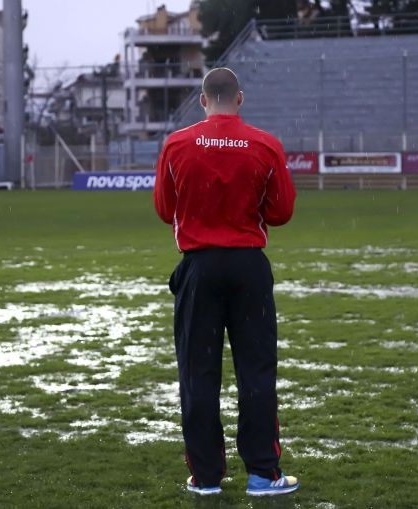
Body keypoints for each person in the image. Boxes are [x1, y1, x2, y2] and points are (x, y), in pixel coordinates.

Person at [153, 67, 298, 497]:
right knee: (256, 370)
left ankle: (206, 477)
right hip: (248, 267)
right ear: (240, 98)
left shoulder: (177, 144)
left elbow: (165, 209)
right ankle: (262, 474)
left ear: (202, 100)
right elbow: (282, 212)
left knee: (197, 374)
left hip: (199, 267)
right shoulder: (265, 145)